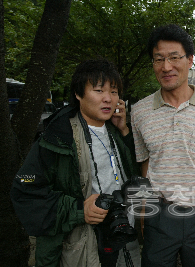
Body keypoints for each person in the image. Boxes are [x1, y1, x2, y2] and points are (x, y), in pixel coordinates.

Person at [10, 58, 141, 267]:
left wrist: (124, 130)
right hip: (81, 245)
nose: (108, 98)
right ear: (79, 94)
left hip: (122, 236)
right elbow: (25, 191)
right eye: (99, 90)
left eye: (114, 91)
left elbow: (134, 171)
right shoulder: (58, 138)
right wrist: (80, 209)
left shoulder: (116, 131)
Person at [131, 24, 195, 267]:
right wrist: (146, 213)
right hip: (160, 215)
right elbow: (146, 163)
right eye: (159, 59)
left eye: (174, 58)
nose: (166, 67)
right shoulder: (139, 112)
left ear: (189, 60)